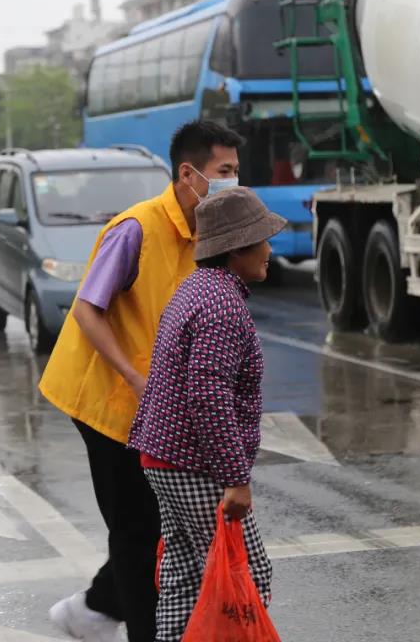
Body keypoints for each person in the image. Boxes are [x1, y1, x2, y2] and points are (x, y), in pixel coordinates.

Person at [40, 120, 245, 642]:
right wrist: (134, 376)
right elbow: (87, 310)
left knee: (162, 523)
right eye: (224, 171)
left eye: (236, 171)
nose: (232, 180)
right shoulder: (135, 229)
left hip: (156, 405)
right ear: (188, 173)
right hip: (106, 399)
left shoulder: (209, 234)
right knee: (136, 528)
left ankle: (92, 609)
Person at [128, 187, 284, 642]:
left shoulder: (196, 289)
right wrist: (236, 479)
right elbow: (209, 395)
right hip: (193, 463)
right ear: (237, 248)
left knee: (183, 578)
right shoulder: (221, 306)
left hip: (162, 459)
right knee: (246, 575)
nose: (269, 251)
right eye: (263, 240)